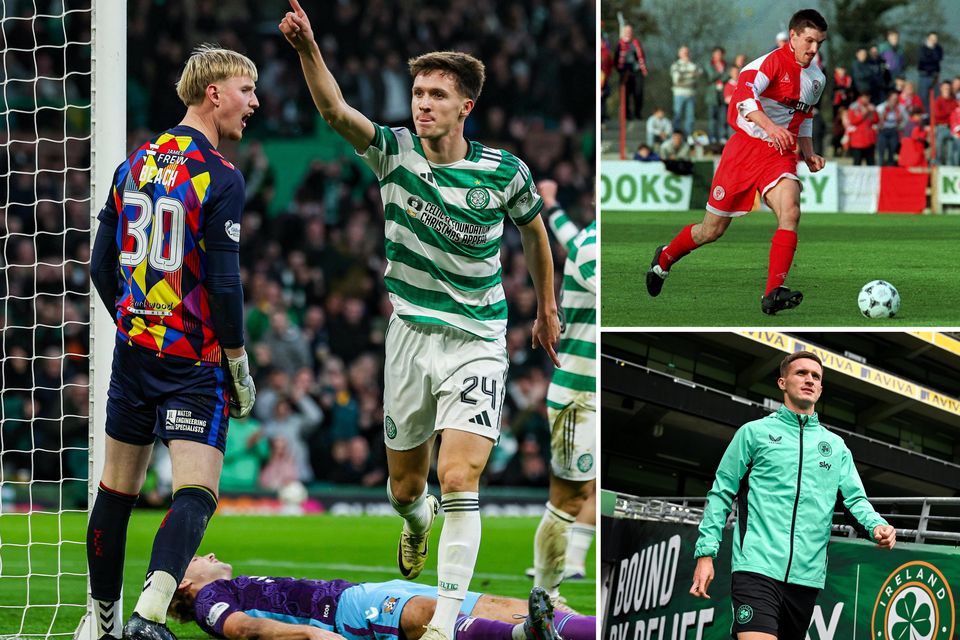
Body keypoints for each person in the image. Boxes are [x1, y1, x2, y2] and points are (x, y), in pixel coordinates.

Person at [279, 5, 562, 640]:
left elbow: (534, 233)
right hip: (408, 338)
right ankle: (415, 523)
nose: (423, 104)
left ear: (466, 107)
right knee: (405, 488)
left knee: (459, 476)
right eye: (418, 93)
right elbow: (334, 112)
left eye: (437, 94)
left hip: (478, 339)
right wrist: (307, 50)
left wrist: (546, 306)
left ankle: (442, 620)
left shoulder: (504, 172)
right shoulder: (395, 154)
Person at [87, 45, 260, 640]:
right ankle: (149, 614)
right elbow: (223, 280)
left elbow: (99, 267)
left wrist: (135, 324)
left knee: (115, 490)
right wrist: (237, 360)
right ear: (214, 93)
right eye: (246, 90)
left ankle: (99, 622)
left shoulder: (133, 163)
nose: (254, 103)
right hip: (193, 361)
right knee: (196, 491)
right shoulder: (220, 174)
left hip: (134, 355)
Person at [689, 351, 896, 640]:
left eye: (816, 376)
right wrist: (706, 554)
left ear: (821, 389)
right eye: (801, 373)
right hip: (756, 567)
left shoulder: (835, 447)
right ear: (782, 382)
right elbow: (721, 492)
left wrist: (876, 525)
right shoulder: (753, 433)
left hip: (806, 579)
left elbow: (854, 500)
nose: (809, 379)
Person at [645, 9, 828, 315]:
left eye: (819, 43)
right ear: (793, 36)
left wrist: (808, 153)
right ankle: (664, 259)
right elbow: (743, 101)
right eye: (809, 41)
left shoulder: (816, 78)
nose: (813, 49)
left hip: (780, 155)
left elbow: (804, 116)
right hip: (743, 152)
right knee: (711, 230)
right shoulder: (766, 64)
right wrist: (770, 127)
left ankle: (773, 293)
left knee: (791, 212)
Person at [167, 553, 596, 640]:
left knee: (507, 605)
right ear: (184, 585)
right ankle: (522, 638)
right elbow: (243, 629)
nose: (206, 553)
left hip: (364, 593)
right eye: (194, 558)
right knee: (430, 614)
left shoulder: (225, 586)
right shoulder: (210, 602)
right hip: (344, 613)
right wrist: (311, 638)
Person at [531, 181, 596, 606]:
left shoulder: (585, 239)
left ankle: (566, 567)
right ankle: (546, 592)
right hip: (579, 401)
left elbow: (566, 234)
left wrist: (552, 207)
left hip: (592, 393)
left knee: (587, 493)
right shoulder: (593, 248)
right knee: (568, 499)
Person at [615, 24, 647, 121]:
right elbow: (616, 59)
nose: (628, 33)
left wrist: (642, 67)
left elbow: (641, 56)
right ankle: (627, 114)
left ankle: (638, 112)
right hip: (625, 72)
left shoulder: (636, 43)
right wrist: (620, 70)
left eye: (630, 31)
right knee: (625, 93)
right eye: (626, 31)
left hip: (636, 71)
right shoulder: (620, 44)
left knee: (638, 92)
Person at [670, 45, 701, 137]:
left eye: (687, 52)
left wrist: (684, 75)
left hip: (691, 94)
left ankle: (688, 137)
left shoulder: (694, 65)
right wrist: (690, 75)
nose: (685, 54)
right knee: (677, 116)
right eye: (683, 52)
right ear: (679, 54)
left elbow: (698, 74)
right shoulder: (676, 65)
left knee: (690, 118)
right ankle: (676, 136)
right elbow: (676, 79)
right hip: (679, 94)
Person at [875, 90, 908, 166]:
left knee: (892, 152)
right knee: (881, 153)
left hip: (894, 131)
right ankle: (879, 168)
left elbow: (906, 119)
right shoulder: (881, 107)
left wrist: (900, 126)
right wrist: (878, 126)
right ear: (888, 99)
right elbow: (875, 120)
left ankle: (890, 169)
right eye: (893, 99)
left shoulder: (900, 108)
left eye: (896, 99)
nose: (895, 101)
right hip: (883, 131)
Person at [847, 92, 879, 166]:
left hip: (869, 139)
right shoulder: (854, 107)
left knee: (871, 163)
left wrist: (873, 112)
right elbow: (852, 121)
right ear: (861, 97)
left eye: (868, 97)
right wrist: (863, 114)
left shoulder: (871, 107)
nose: (867, 99)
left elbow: (876, 120)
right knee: (857, 163)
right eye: (865, 97)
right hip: (858, 140)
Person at [704, 47, 729, 143]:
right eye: (717, 53)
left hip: (722, 94)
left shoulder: (726, 65)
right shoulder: (709, 64)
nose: (719, 56)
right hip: (712, 95)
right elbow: (711, 76)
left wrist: (721, 75)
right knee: (712, 118)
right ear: (713, 54)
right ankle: (712, 137)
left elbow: (728, 75)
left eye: (720, 54)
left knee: (723, 117)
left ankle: (723, 136)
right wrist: (721, 73)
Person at [932, 81, 957, 165]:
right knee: (939, 144)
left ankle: (950, 167)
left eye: (948, 89)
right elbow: (938, 115)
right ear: (941, 89)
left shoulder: (954, 101)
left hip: (952, 128)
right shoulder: (938, 101)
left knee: (952, 148)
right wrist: (950, 113)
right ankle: (937, 164)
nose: (947, 90)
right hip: (941, 127)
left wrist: (948, 114)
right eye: (945, 88)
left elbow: (956, 115)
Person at [918, 32, 943, 113]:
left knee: (936, 97)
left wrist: (932, 50)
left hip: (935, 76)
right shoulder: (922, 48)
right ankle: (925, 115)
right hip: (924, 75)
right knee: (923, 97)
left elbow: (938, 58)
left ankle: (935, 115)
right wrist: (931, 57)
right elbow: (923, 60)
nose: (933, 41)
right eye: (932, 39)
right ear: (928, 39)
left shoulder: (938, 48)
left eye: (935, 39)